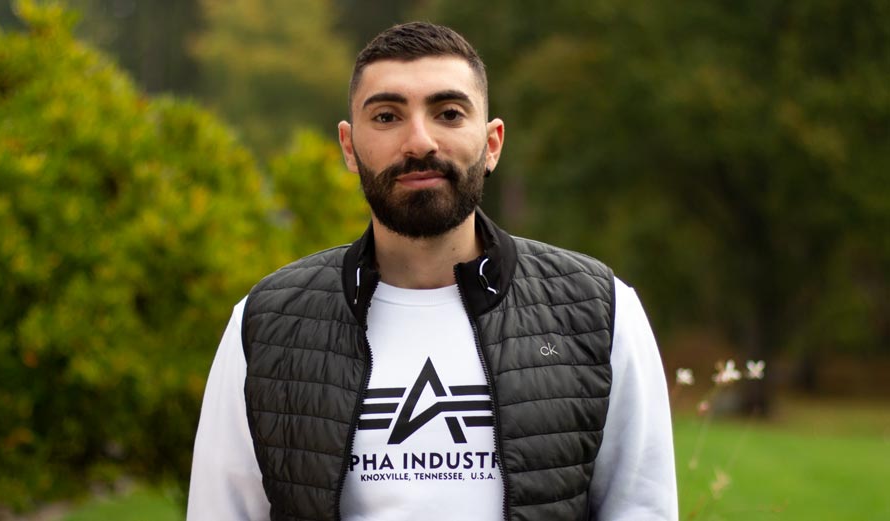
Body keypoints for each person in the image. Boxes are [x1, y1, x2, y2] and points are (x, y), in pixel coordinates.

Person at [187, 22, 677, 521]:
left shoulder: (599, 311)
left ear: (492, 143)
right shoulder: (265, 324)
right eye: (386, 116)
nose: (419, 142)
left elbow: (643, 510)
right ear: (349, 147)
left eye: (448, 113)